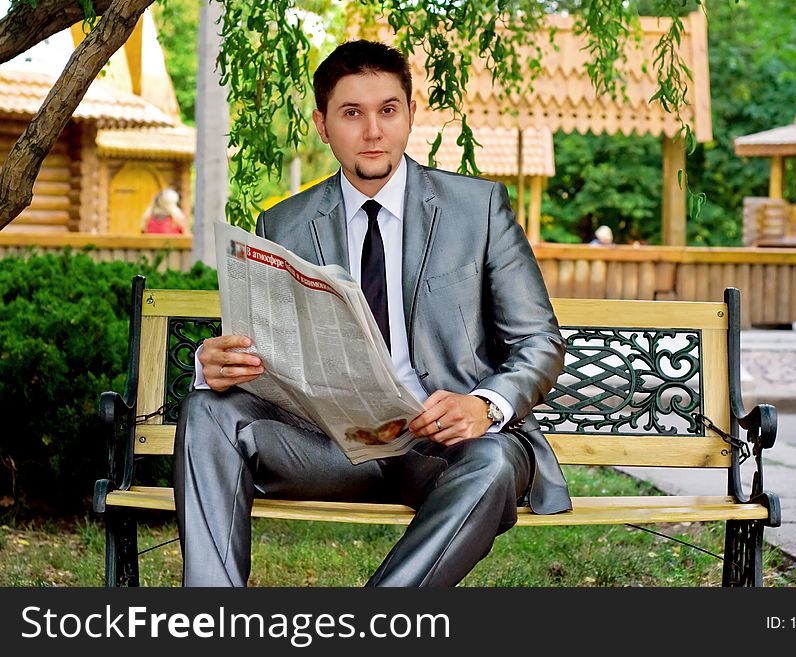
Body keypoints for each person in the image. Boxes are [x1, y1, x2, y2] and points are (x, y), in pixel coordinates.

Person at [174, 39, 570, 587]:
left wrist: (484, 406)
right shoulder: (282, 224)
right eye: (351, 113)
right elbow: (264, 355)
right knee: (207, 411)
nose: (372, 131)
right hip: (329, 447)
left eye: (387, 110)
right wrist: (214, 364)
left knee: (495, 463)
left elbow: (540, 343)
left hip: (447, 449)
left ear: (411, 114)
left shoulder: (477, 209)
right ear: (322, 124)